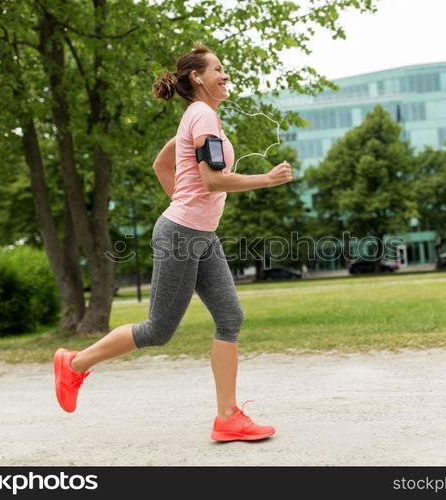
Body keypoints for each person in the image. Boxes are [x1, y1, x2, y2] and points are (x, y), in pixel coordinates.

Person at [53, 42, 293, 442]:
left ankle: (227, 417)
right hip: (183, 234)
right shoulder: (201, 116)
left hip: (200, 234)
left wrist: (184, 202)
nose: (226, 74)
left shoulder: (198, 117)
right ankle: (74, 364)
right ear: (198, 78)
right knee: (157, 329)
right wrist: (265, 179)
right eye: (218, 69)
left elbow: (162, 164)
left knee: (230, 317)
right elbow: (214, 180)